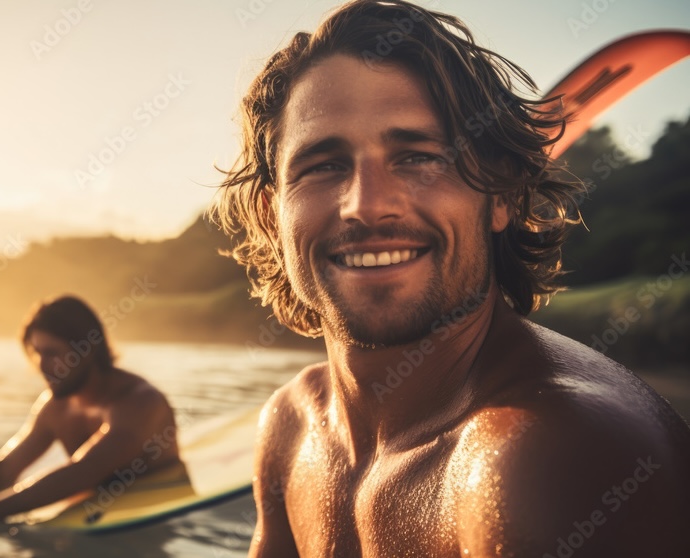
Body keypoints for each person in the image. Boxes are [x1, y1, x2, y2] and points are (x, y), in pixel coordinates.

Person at [210, 1, 690, 556]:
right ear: (272, 215)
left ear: (501, 196)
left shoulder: (539, 457)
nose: (367, 205)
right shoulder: (291, 426)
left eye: (418, 157)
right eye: (324, 165)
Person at [0, 295, 182, 524]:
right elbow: (7, 468)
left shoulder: (140, 402)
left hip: (162, 519)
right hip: (96, 512)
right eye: (37, 352)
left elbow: (83, 471)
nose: (41, 366)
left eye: (52, 353)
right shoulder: (56, 407)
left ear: (88, 349)